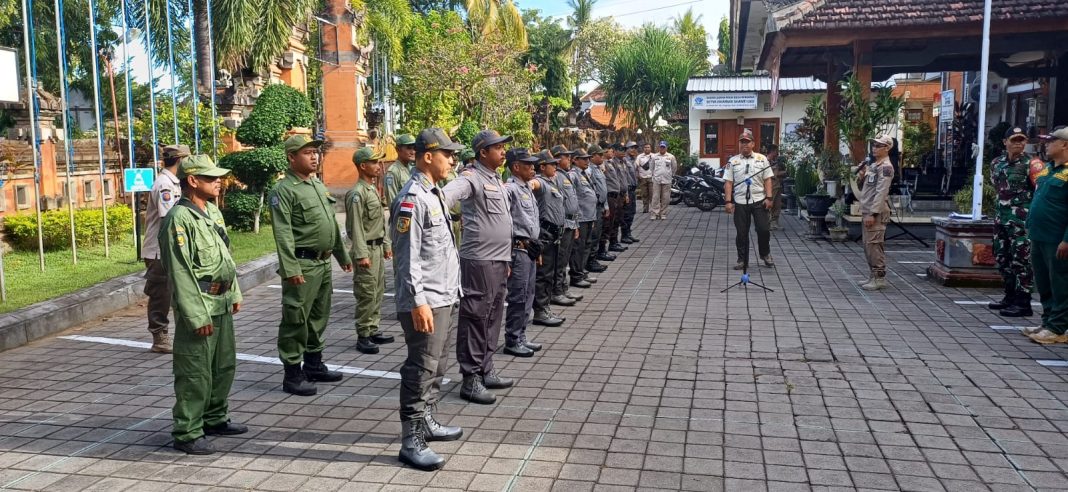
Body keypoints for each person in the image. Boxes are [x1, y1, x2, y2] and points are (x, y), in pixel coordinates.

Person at [159, 154, 246, 455]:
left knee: (223, 366)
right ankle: (187, 431)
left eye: (218, 177)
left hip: (220, 300)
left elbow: (225, 257)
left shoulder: (212, 212)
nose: (219, 181)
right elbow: (181, 272)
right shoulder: (178, 220)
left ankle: (215, 418)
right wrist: (196, 315)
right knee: (195, 371)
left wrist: (233, 293)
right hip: (201, 304)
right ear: (193, 181)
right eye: (211, 178)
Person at [391, 128, 465, 470]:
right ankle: (411, 439)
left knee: (437, 366)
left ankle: (428, 421)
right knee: (420, 369)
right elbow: (407, 258)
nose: (452, 159)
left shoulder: (434, 193)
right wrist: (418, 301)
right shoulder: (412, 199)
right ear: (427, 156)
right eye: (446, 154)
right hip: (426, 300)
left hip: (445, 295)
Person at [269, 135, 353, 396]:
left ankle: (314, 364)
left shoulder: (316, 185)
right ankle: (293, 374)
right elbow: (282, 233)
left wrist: (342, 255)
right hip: (303, 264)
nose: (314, 157)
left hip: (322, 262)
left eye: (315, 152)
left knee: (318, 316)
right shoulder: (283, 190)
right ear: (291, 158)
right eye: (307, 153)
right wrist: (291, 268)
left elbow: (330, 223)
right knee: (296, 319)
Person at [441, 129, 515, 405]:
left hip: (498, 259)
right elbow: (449, 194)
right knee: (475, 316)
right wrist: (437, 200)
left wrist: (506, 258)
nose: (503, 151)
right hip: (479, 260)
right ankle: (470, 378)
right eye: (498, 147)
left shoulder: (495, 178)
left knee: (493, 316)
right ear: (483, 152)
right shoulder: (471, 178)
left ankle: (486, 368)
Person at [988, 127, 1045, 317]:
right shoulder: (997, 163)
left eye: (1022, 140)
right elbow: (997, 188)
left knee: (1021, 260)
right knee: (1002, 257)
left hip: (1021, 221)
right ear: (1005, 142)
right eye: (1014, 140)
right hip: (1001, 218)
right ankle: (1009, 296)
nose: (1019, 143)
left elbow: (1041, 191)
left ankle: (1023, 302)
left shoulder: (1033, 164)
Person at [346, 147, 395, 355]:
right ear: (363, 166)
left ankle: (373, 328)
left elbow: (379, 222)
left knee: (377, 290)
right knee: (366, 293)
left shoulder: (372, 188)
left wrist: (386, 244)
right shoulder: (356, 194)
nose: (379, 166)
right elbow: (355, 227)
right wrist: (361, 254)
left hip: (376, 247)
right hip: (365, 249)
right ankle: (363, 334)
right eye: (374, 163)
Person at [142, 144, 189, 353]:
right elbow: (169, 218)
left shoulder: (175, 182)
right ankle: (159, 336)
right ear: (180, 161)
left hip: (170, 247)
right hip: (159, 250)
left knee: (174, 290)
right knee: (161, 293)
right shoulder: (164, 185)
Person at [1025, 127, 1068, 344]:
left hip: (1057, 239)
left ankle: (1058, 327)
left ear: (1064, 145)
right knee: (1043, 282)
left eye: (1051, 141)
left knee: (1060, 282)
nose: (1046, 145)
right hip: (1039, 235)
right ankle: (1048, 320)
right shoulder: (1047, 170)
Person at [503, 148, 546, 357]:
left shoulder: (527, 187)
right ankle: (512, 339)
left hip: (530, 249)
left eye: (533, 164)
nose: (533, 167)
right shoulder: (510, 189)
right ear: (515, 167)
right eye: (527, 164)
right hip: (518, 250)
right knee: (518, 297)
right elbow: (505, 222)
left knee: (528, 295)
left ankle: (521, 335)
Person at [724, 130, 775, 269]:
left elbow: (768, 179)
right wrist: (728, 202)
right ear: (739, 144)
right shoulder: (732, 161)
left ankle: (765, 254)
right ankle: (742, 259)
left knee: (764, 229)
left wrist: (769, 197)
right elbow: (728, 182)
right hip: (740, 201)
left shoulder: (762, 159)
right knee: (741, 233)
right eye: (742, 142)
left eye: (747, 142)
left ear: (753, 144)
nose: (744, 145)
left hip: (759, 199)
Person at [532, 150, 570, 326]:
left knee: (550, 273)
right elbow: (532, 184)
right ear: (542, 167)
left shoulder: (552, 182)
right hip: (545, 234)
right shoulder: (540, 181)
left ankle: (545, 307)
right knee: (543, 274)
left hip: (554, 233)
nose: (555, 166)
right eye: (552, 164)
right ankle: (540, 311)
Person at [854, 135, 896, 291]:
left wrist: (872, 213)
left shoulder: (886, 167)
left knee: (874, 245)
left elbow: (881, 192)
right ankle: (872, 275)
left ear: (887, 148)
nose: (874, 148)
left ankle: (879, 277)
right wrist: (862, 175)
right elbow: (865, 188)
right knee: (868, 246)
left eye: (879, 145)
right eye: (874, 145)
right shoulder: (873, 165)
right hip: (867, 210)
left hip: (875, 212)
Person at [551, 145, 584, 304]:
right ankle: (556, 291)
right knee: (560, 259)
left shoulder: (565, 175)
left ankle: (563, 288)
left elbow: (572, 199)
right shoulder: (556, 176)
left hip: (571, 222)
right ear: (557, 158)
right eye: (566, 156)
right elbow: (557, 203)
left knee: (564, 259)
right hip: (563, 223)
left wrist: (576, 224)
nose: (569, 159)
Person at [569, 148, 598, 289]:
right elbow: (572, 198)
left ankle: (582, 271)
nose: (587, 161)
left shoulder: (584, 173)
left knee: (586, 246)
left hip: (589, 216)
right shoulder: (573, 175)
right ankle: (576, 275)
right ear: (575, 160)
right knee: (578, 248)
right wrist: (575, 220)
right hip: (581, 218)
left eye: (588, 158)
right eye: (584, 158)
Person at [586, 145, 614, 267]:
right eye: (599, 155)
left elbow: (603, 189)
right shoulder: (589, 170)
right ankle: (591, 260)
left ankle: (595, 257)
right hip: (594, 206)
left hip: (601, 205)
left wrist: (606, 205)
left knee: (599, 233)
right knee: (594, 234)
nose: (602, 157)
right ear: (592, 156)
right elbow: (593, 189)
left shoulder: (598, 169)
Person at [385, 134, 417, 207]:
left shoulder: (413, 168)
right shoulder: (393, 172)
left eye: (414, 148)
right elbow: (392, 203)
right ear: (398, 150)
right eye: (409, 148)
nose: (413, 152)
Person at [650, 141, 677, 220]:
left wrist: (670, 175)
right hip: (656, 179)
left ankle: (663, 213)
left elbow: (674, 168)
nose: (662, 148)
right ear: (659, 147)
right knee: (655, 197)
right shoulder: (654, 156)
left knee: (666, 198)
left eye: (663, 147)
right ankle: (655, 213)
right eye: (661, 147)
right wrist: (654, 175)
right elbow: (651, 167)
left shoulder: (671, 157)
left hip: (667, 180)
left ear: (666, 147)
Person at [620, 141, 640, 243]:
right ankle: (624, 235)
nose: (634, 150)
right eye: (631, 148)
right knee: (626, 213)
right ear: (626, 149)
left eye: (635, 148)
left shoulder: (633, 160)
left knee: (632, 212)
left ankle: (628, 233)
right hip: (627, 190)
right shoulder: (624, 160)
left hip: (632, 190)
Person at [766, 145, 787, 230]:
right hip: (771, 187)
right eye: (776, 151)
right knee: (770, 205)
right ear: (772, 151)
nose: (777, 153)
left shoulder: (775, 161)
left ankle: (774, 222)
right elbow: (773, 174)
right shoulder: (766, 161)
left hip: (777, 186)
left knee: (777, 205)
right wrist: (784, 172)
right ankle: (766, 223)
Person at [637, 143, 654, 214]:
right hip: (642, 178)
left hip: (651, 177)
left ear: (651, 148)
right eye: (645, 147)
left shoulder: (654, 156)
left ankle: (653, 209)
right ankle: (645, 208)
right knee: (644, 194)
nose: (646, 148)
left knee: (652, 194)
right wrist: (638, 175)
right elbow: (636, 166)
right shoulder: (639, 156)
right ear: (643, 148)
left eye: (648, 147)